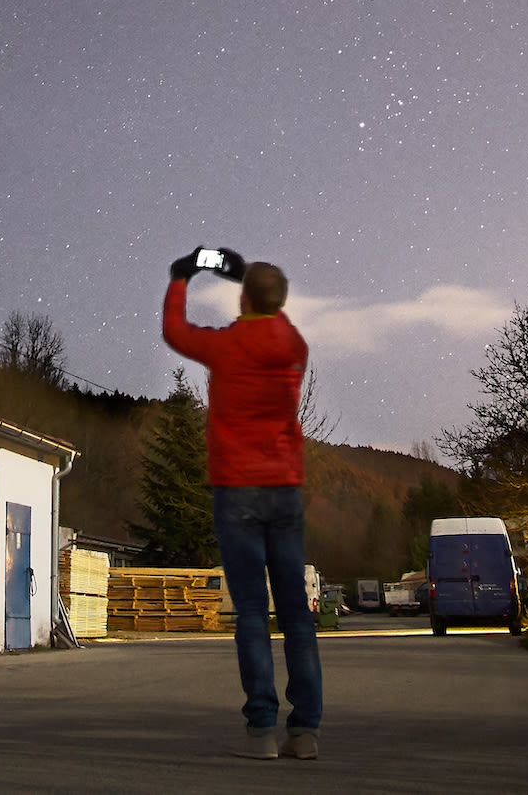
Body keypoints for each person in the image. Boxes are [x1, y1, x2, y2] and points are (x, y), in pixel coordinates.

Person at [162, 246, 321, 761]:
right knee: (296, 612)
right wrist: (259, 289)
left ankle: (261, 732)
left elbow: (175, 331)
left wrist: (182, 275)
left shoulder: (227, 346)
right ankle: (306, 733)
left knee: (252, 611)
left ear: (243, 298)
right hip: (285, 490)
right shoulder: (294, 345)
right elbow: (274, 315)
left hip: (236, 490)